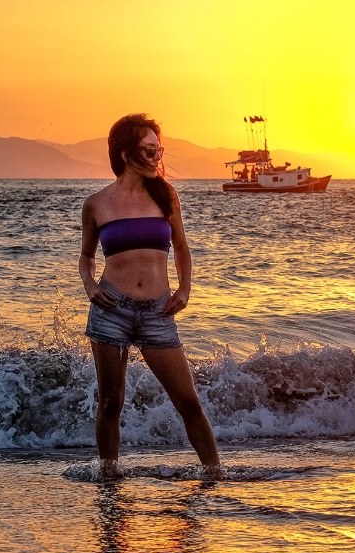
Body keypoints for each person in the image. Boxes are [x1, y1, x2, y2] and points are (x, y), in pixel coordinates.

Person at [79, 113, 221, 479]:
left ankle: (216, 474)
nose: (157, 157)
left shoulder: (165, 195)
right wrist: (91, 286)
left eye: (159, 150)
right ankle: (108, 477)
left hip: (158, 312)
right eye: (148, 150)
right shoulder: (97, 204)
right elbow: (86, 256)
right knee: (110, 402)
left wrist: (185, 290)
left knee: (188, 402)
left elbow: (182, 247)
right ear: (125, 154)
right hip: (111, 309)